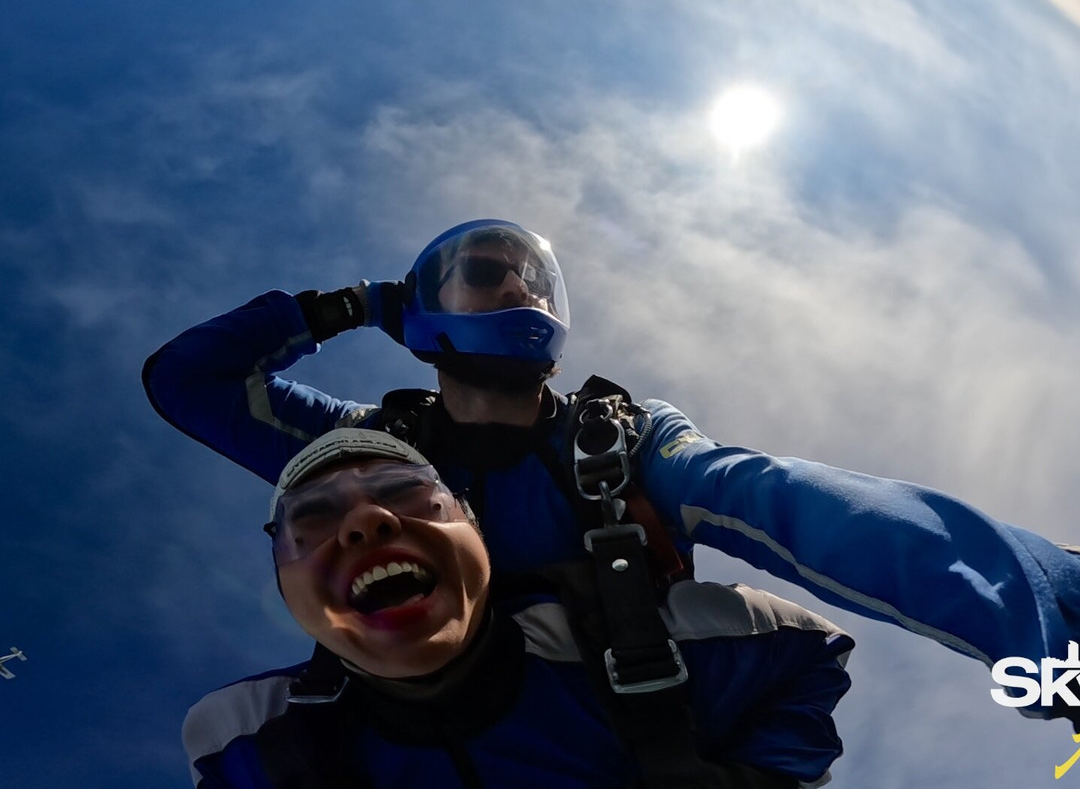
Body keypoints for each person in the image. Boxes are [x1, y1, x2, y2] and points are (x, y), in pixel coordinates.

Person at [145, 218, 1080, 726]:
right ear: (426, 309)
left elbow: (803, 510)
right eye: (481, 271)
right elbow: (190, 380)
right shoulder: (371, 457)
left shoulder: (624, 445)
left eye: (526, 278)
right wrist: (347, 305)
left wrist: (1051, 627)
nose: (513, 288)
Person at [183, 427, 854, 788]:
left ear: (477, 531)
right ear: (284, 587)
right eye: (312, 521)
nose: (366, 520)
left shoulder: (653, 640)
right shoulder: (246, 740)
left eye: (409, 493)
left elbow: (812, 654)